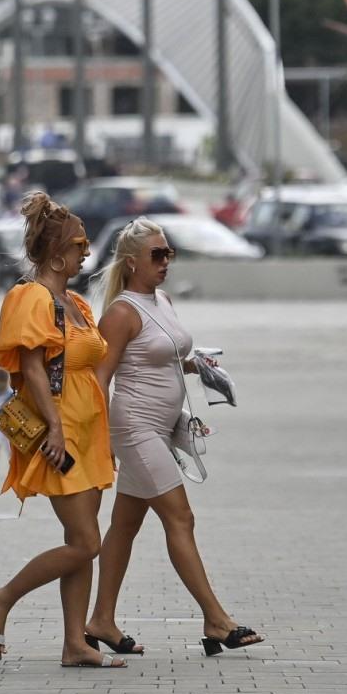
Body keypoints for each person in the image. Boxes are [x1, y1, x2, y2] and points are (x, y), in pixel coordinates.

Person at [84, 218, 263, 660]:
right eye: (157, 255)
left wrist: (199, 367)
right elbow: (99, 380)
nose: (166, 262)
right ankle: (215, 619)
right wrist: (102, 440)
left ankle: (100, 619)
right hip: (135, 429)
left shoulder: (160, 300)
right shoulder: (122, 313)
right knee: (180, 518)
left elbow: (161, 357)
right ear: (131, 263)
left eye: (169, 253)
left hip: (162, 428)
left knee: (124, 527)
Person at [0, 192, 121, 669]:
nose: (86, 253)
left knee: (83, 542)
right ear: (56, 253)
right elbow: (34, 371)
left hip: (90, 429)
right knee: (85, 543)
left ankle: (74, 643)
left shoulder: (74, 300)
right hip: (59, 433)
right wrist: (55, 430)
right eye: (79, 245)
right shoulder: (31, 297)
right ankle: (1, 598)